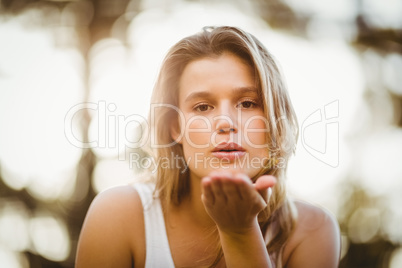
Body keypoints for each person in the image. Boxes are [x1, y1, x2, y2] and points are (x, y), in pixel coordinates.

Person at [75, 26, 341, 268]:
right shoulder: (117, 216)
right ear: (174, 127)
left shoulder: (313, 231)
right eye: (202, 107)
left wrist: (240, 233)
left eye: (247, 103)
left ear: (274, 120)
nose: (226, 123)